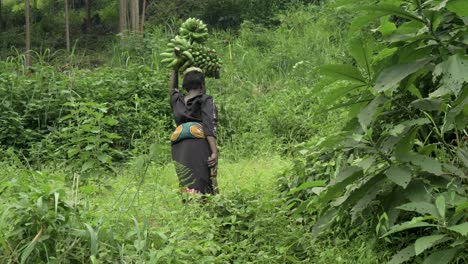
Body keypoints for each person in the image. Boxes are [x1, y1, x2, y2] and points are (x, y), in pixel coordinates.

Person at [169, 63, 218, 195]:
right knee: (203, 182)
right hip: (198, 144)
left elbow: (172, 89)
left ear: (185, 86)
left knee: (186, 182)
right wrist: (214, 151)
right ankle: (205, 210)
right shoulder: (206, 100)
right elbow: (209, 125)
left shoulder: (177, 101)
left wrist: (175, 67)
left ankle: (190, 211)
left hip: (178, 147)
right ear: (202, 85)